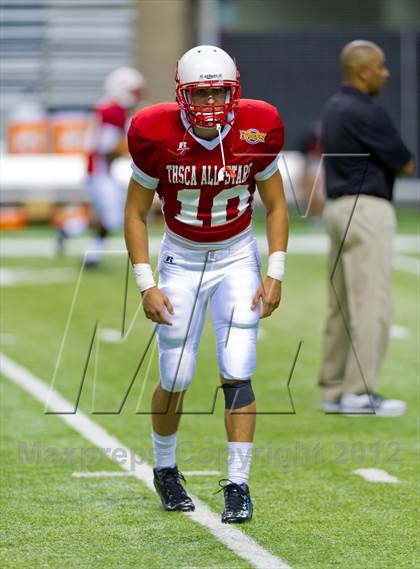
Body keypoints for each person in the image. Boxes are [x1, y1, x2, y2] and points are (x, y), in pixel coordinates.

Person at [124, 45, 288, 522]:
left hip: (237, 254)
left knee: (238, 366)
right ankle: (165, 468)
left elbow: (277, 205)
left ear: (234, 92)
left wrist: (274, 271)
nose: (212, 103)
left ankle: (238, 483)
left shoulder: (257, 128)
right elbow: (134, 213)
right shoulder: (155, 133)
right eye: (202, 93)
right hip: (181, 255)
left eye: (220, 92)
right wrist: (145, 283)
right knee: (176, 374)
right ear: (182, 95)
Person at [319, 40, 414, 416]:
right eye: (381, 66)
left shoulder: (334, 106)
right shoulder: (366, 111)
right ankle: (359, 392)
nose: (385, 73)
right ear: (363, 71)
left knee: (341, 304)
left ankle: (334, 388)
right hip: (367, 209)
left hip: (338, 207)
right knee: (371, 303)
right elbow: (405, 162)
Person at [56, 67, 145, 264]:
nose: (137, 96)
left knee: (111, 216)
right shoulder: (112, 112)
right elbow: (107, 148)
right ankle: (90, 252)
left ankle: (71, 232)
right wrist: (136, 148)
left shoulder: (113, 109)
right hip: (99, 171)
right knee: (113, 217)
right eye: (134, 91)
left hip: (103, 171)